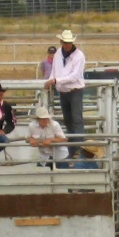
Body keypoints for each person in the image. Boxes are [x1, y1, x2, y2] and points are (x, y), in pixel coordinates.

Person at [44, 30, 85, 159]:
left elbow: (75, 76)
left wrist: (55, 81)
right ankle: (73, 150)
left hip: (74, 91)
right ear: (61, 42)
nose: (67, 45)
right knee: (68, 121)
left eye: (69, 43)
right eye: (66, 42)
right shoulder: (57, 55)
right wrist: (50, 80)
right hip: (63, 91)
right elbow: (54, 71)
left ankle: (78, 149)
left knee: (76, 120)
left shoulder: (79, 55)